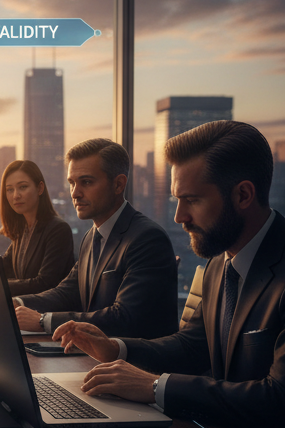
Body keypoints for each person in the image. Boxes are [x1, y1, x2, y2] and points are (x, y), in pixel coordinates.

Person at [55, 121, 285, 428]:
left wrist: (155, 387)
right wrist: (117, 350)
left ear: (243, 195)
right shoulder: (221, 264)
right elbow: (193, 346)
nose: (179, 216)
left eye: (192, 200)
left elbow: (284, 401)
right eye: (177, 200)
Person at [13, 139, 178, 339]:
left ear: (118, 184)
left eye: (87, 182)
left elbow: (123, 317)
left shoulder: (147, 239)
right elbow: (68, 292)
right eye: (72, 183)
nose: (75, 193)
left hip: (134, 357)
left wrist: (43, 321)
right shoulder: (91, 236)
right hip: (92, 352)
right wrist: (17, 303)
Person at [0, 159, 73, 297]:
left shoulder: (58, 230)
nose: (16, 195)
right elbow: (2, 267)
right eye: (10, 189)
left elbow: (45, 283)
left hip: (47, 309)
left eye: (23, 187)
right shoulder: (23, 230)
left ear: (40, 188)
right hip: (23, 307)